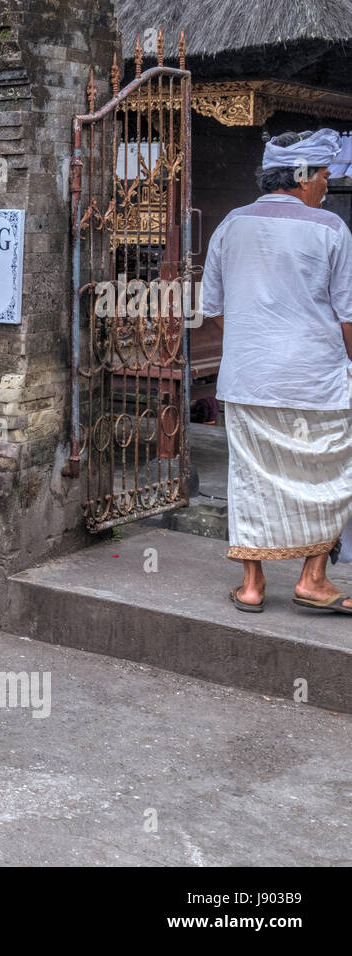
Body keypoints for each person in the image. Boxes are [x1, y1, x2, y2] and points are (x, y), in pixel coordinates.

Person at [202, 129, 352, 613]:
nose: (327, 185)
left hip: (249, 377)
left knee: (250, 480)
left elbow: (216, 308)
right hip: (317, 381)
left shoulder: (229, 225)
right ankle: (312, 579)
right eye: (325, 175)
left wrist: (257, 338)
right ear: (304, 175)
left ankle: (251, 586)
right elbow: (347, 314)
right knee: (327, 477)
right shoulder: (330, 229)